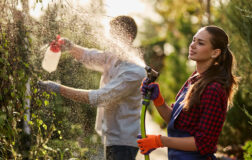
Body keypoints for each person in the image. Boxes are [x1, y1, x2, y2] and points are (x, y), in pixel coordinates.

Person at [39, 15, 146, 160]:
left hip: (123, 143)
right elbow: (90, 56)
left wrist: (57, 88)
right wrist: (70, 46)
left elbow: (99, 97)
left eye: (113, 35)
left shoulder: (134, 72)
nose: (109, 38)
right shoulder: (113, 57)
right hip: (111, 136)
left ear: (127, 38)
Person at [138, 25, 238, 160]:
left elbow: (204, 143)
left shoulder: (214, 89)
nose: (193, 45)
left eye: (200, 43)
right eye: (193, 40)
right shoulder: (194, 80)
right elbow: (176, 122)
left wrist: (160, 141)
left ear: (215, 52)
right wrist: (158, 100)